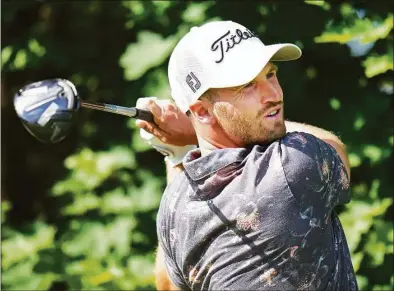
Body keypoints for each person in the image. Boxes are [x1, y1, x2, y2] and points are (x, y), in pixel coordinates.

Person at [136, 20, 358, 290]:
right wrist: (192, 135)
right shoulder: (293, 165)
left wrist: (179, 151)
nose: (273, 94)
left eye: (271, 74)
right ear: (203, 111)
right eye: (247, 85)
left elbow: (167, 284)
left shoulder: (174, 206)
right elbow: (335, 146)